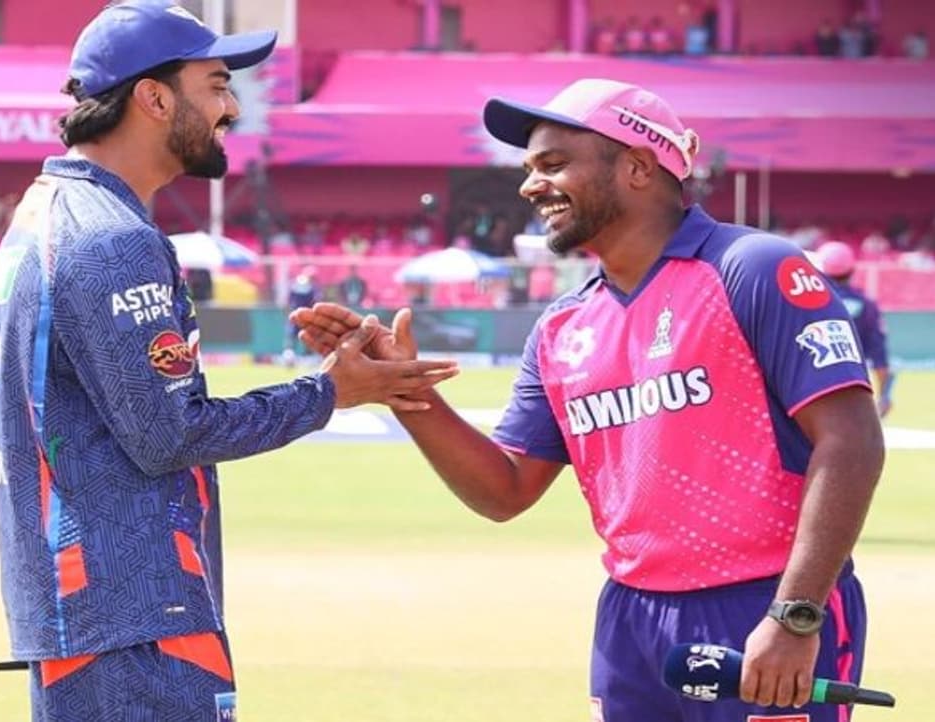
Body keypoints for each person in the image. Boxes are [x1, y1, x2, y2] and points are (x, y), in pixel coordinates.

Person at [294, 78, 885, 722]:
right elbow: (504, 491)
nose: (531, 186)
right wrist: (405, 390)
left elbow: (851, 440)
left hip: (764, 605)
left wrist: (796, 614)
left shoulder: (752, 267)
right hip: (630, 619)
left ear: (638, 166)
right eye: (529, 168)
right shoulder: (562, 327)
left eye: (553, 164)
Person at [0, 3, 458, 721]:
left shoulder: (45, 213)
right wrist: (328, 392)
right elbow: (171, 434)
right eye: (215, 86)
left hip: (87, 612)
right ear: (153, 98)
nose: (231, 107)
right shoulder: (114, 240)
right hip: (137, 620)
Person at [812, 241, 894, 417]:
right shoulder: (867, 304)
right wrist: (884, 396)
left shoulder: (807, 301)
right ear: (851, 270)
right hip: (854, 386)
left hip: (812, 388)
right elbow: (880, 358)